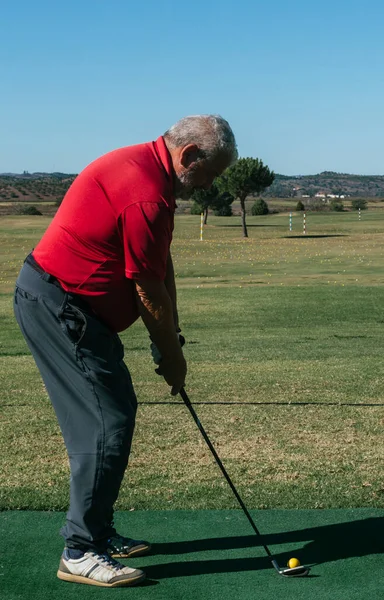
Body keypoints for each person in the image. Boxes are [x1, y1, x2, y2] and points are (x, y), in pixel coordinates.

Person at [13, 115, 238, 588]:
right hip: (60, 305)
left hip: (73, 307)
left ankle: (97, 530)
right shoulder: (147, 193)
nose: (209, 184)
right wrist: (171, 356)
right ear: (189, 155)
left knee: (112, 413)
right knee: (106, 420)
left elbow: (159, 264)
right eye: (211, 173)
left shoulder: (150, 172)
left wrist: (171, 337)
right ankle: (80, 549)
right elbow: (148, 285)